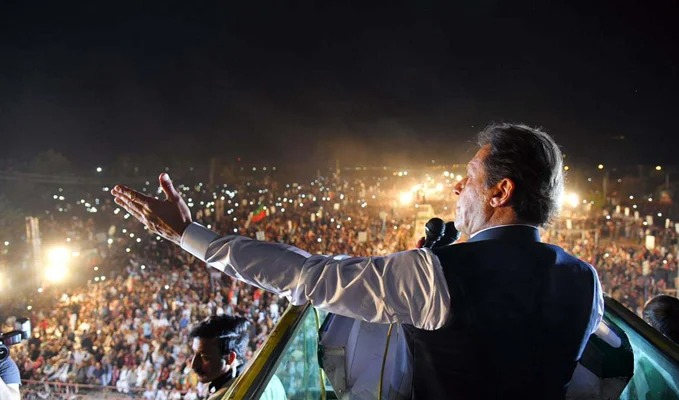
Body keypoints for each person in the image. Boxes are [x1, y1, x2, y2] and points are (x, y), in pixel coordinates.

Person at [112, 123, 603, 399]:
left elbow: (308, 275)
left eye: (470, 177)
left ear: (502, 190)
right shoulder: (588, 281)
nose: (458, 188)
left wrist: (189, 235)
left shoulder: (438, 275)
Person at [188, 315, 285, 400]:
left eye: (205, 357)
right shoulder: (272, 380)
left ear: (230, 358)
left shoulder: (223, 397)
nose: (194, 365)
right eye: (194, 353)